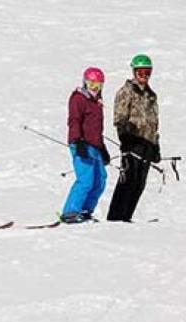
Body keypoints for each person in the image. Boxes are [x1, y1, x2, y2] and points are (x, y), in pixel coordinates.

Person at [107, 54, 161, 222]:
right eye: (141, 73)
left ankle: (127, 216)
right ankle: (115, 217)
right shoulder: (126, 91)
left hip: (147, 143)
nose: (144, 76)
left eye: (147, 73)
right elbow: (119, 118)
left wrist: (155, 145)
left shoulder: (151, 95)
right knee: (128, 179)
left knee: (140, 182)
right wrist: (125, 137)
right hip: (132, 141)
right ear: (134, 72)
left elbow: (154, 122)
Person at [62, 67, 111, 224]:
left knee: (100, 180)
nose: (94, 88)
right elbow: (74, 120)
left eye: (98, 85)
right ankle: (70, 211)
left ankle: (85, 210)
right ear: (84, 83)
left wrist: (102, 148)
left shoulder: (97, 103)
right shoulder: (78, 98)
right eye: (91, 84)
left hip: (94, 145)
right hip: (81, 144)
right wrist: (77, 140)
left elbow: (97, 130)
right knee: (86, 179)